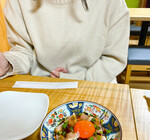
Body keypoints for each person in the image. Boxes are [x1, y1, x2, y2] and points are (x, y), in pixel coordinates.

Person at [0, 0, 130, 83]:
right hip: (42, 82)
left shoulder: (112, 3)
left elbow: (113, 59)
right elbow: (24, 50)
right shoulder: (17, 2)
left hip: (98, 80)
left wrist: (74, 79)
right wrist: (8, 63)